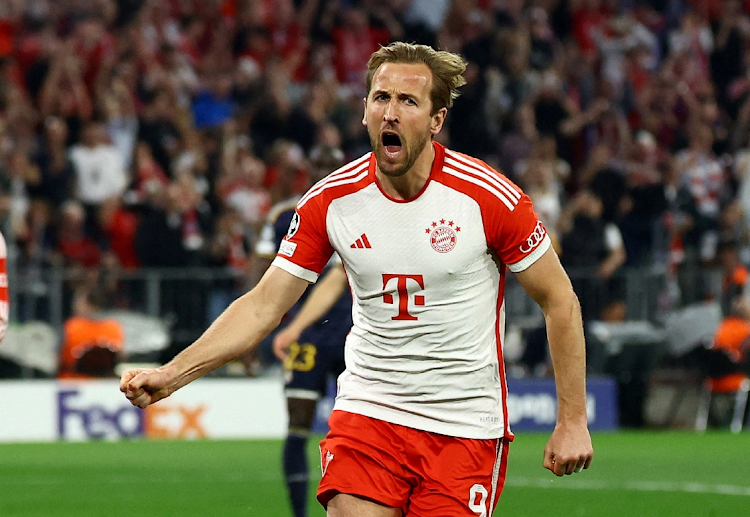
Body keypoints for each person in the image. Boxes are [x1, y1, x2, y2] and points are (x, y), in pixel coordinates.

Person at [121, 42, 593, 517]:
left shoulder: (488, 198)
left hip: (463, 423)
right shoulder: (331, 202)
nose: (390, 112)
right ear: (364, 111)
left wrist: (572, 419)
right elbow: (264, 304)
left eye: (408, 101)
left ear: (436, 120)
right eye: (380, 98)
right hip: (370, 411)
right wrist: (171, 373)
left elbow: (559, 301)